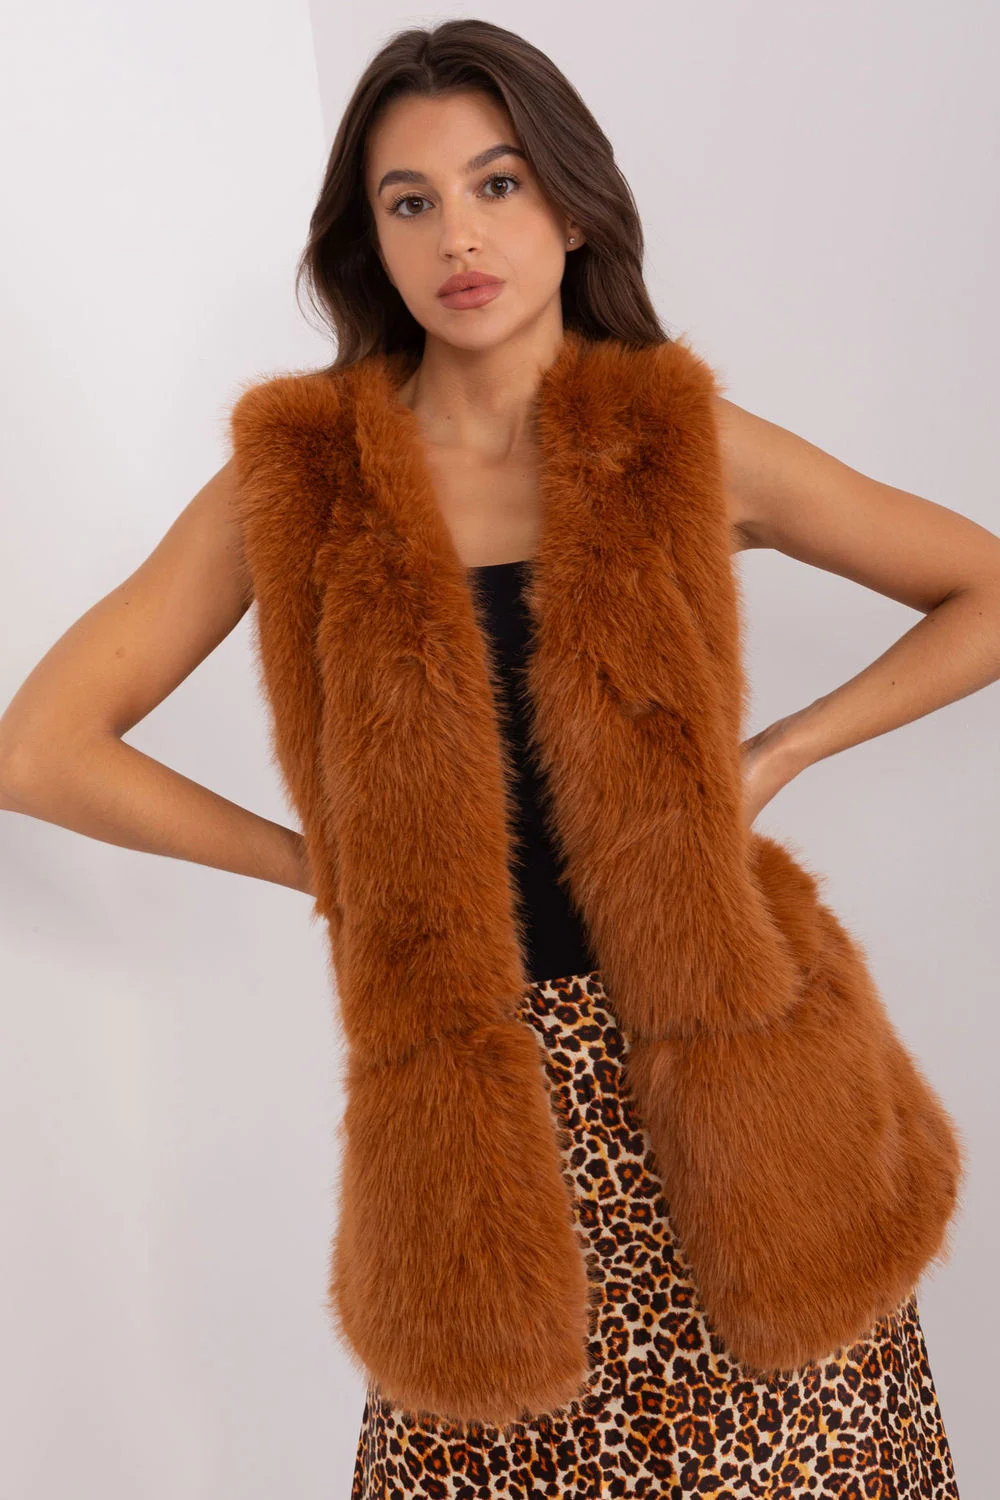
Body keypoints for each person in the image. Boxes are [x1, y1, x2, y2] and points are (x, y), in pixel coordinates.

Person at [2, 17, 996, 1497]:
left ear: (572, 209)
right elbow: (42, 748)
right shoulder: (304, 477)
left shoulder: (677, 439)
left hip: (746, 1108)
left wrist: (779, 754)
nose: (458, 234)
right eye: (410, 201)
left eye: (498, 183)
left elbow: (982, 588)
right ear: (371, 241)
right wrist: (323, 865)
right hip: (479, 1129)